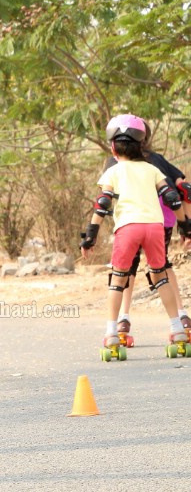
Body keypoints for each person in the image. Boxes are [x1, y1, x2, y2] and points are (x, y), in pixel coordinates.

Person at [80, 114, 191, 352]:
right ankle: (178, 329)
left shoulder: (113, 171)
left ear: (112, 147)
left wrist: (90, 235)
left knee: (118, 278)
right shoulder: (153, 169)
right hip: (154, 227)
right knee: (160, 276)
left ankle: (112, 332)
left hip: (128, 228)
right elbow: (173, 198)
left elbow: (102, 204)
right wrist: (186, 227)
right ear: (142, 145)